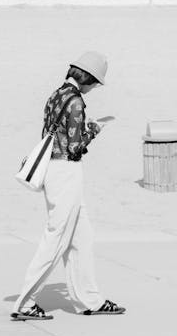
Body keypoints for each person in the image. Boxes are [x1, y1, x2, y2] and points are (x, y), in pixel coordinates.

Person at [11, 51, 126, 321]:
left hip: (53, 169)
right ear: (88, 79)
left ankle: (90, 300)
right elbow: (75, 145)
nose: (96, 88)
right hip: (66, 171)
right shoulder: (76, 102)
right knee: (57, 237)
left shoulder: (56, 95)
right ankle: (25, 303)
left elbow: (53, 132)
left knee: (81, 237)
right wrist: (94, 129)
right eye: (96, 83)